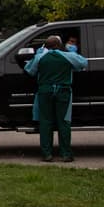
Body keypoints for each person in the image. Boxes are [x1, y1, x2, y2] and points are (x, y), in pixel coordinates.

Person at [25, 34, 88, 162]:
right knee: (63, 122)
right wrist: (71, 52)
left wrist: (38, 54)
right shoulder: (68, 56)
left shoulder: (40, 57)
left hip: (45, 91)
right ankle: (66, 154)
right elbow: (83, 63)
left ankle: (46, 154)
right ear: (59, 45)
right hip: (63, 91)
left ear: (45, 46)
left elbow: (30, 70)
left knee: (45, 122)